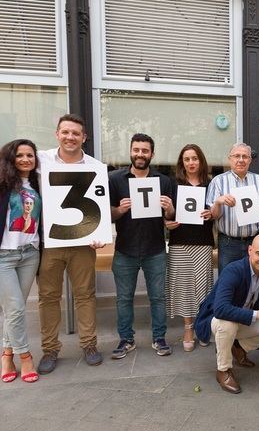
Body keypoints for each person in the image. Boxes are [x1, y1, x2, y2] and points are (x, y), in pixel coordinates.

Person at [37, 114, 104, 374]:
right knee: (48, 297)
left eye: (76, 133)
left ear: (84, 137)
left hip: (83, 243)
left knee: (85, 294)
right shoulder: (41, 160)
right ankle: (50, 349)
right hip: (51, 242)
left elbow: (98, 204)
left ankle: (89, 344)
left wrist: (100, 232)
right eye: (65, 132)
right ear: (57, 134)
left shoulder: (96, 166)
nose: (70, 137)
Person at [109, 133, 175, 359]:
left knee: (158, 297)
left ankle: (159, 338)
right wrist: (119, 210)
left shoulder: (164, 181)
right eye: (136, 150)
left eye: (145, 151)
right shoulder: (115, 179)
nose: (140, 154)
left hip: (154, 249)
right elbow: (107, 215)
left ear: (152, 154)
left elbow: (172, 218)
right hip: (125, 249)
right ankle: (126, 339)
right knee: (123, 298)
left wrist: (169, 208)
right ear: (130, 151)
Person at [210, 234, 259, 394]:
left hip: (245, 319)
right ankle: (223, 370)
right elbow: (220, 309)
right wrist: (257, 315)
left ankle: (238, 348)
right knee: (227, 325)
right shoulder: (233, 270)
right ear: (250, 250)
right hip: (218, 320)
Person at [164, 144, 214, 352]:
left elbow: (217, 212)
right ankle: (188, 328)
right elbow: (168, 215)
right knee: (184, 287)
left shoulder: (211, 184)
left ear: (201, 160)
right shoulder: (173, 184)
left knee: (203, 288)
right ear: (181, 163)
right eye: (187, 159)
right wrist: (168, 218)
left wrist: (212, 213)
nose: (191, 163)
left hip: (202, 243)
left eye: (195, 158)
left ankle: (202, 327)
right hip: (179, 242)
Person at [0, 139, 41, 383]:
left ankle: (6, 355)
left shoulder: (37, 183)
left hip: (30, 253)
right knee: (15, 309)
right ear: (11, 158)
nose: (26, 159)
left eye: (30, 155)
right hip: (4, 254)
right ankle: (25, 356)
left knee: (13, 309)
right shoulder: (3, 184)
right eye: (20, 155)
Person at [207, 143, 259, 271]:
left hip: (254, 242)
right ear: (230, 159)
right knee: (228, 282)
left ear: (250, 160)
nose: (241, 160)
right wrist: (218, 202)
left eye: (245, 156)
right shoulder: (218, 181)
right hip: (228, 243)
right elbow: (213, 216)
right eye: (237, 156)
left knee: (252, 281)